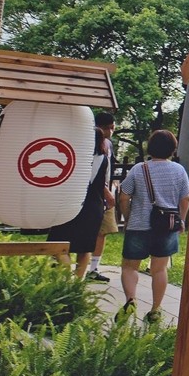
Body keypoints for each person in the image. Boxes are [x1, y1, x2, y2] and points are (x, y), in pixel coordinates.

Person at [116, 129, 189, 323]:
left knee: (130, 266)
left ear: (151, 148)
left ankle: (131, 300)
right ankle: (155, 309)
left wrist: (128, 217)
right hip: (166, 227)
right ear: (172, 149)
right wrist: (180, 220)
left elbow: (124, 196)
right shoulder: (179, 170)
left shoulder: (139, 169)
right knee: (159, 269)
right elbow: (186, 199)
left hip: (138, 225)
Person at [48, 127, 112, 279]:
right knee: (85, 248)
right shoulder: (104, 159)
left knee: (59, 244)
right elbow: (105, 182)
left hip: (70, 202)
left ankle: (64, 278)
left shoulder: (73, 156)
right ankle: (76, 283)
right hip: (93, 206)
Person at [85, 112, 117, 281]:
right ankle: (84, 267)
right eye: (109, 128)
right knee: (88, 231)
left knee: (102, 231)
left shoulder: (109, 145)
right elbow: (93, 171)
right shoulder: (89, 143)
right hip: (96, 193)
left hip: (105, 192)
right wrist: (106, 190)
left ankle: (94, 267)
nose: (111, 131)